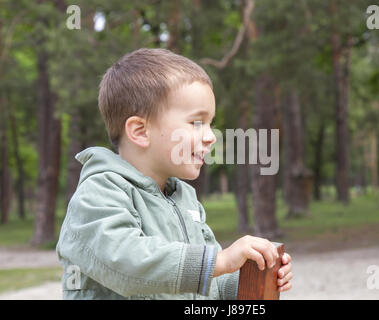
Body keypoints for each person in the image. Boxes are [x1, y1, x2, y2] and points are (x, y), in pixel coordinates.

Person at [56, 48, 292, 299]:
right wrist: (219, 261)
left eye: (211, 123)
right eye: (197, 123)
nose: (211, 136)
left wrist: (249, 276)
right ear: (140, 131)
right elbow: (129, 263)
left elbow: (209, 284)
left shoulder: (185, 199)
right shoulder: (98, 195)